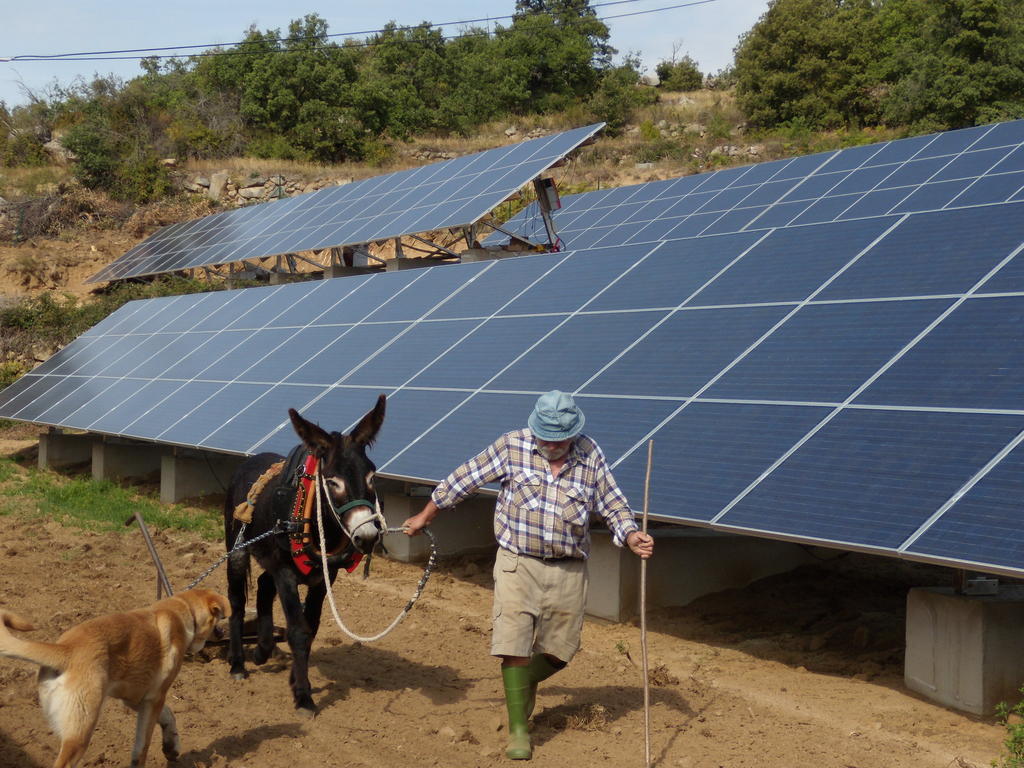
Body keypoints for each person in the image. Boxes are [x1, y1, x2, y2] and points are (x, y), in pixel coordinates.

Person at [403, 390, 654, 760]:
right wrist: (426, 515)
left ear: (573, 433)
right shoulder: (511, 446)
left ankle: (521, 684)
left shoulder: (590, 454)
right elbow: (465, 478)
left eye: (559, 439)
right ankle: (519, 730)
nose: (551, 445)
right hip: (517, 563)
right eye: (544, 437)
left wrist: (632, 535)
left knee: (560, 652)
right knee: (514, 644)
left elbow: (612, 502)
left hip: (568, 568)